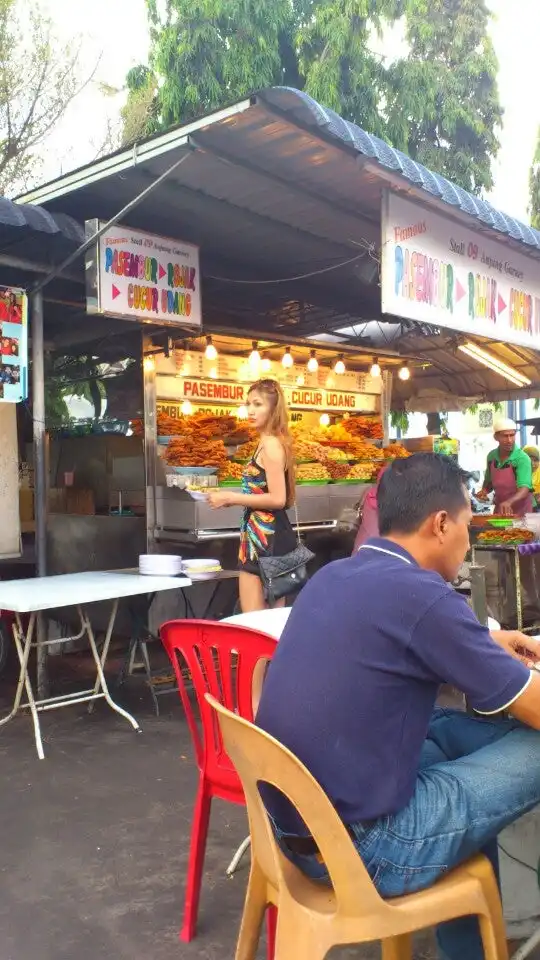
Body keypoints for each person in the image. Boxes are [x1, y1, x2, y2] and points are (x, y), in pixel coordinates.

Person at [256, 453, 540, 960]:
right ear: (440, 524)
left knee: (448, 736)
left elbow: (410, 636)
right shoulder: (423, 596)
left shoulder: (335, 576)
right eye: (468, 527)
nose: (468, 541)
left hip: (298, 828)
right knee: (531, 741)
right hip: (373, 848)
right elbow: (532, 705)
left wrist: (486, 644)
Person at [207, 379, 297, 613]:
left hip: (265, 540)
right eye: (248, 404)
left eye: (258, 404)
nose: (250, 410)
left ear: (273, 409)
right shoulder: (270, 443)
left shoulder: (270, 445)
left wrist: (231, 498)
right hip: (267, 536)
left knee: (255, 623)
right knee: (271, 622)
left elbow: (278, 499)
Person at [478, 417, 532, 516]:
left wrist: (509, 502)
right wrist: (484, 491)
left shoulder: (522, 458)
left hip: (522, 513)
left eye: (512, 435)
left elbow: (524, 489)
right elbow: (489, 482)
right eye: (505, 436)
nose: (509, 440)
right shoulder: (491, 456)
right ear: (496, 437)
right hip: (501, 512)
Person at [523, 445, 540, 510]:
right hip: (524, 505)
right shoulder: (518, 472)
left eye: (536, 460)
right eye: (529, 460)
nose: (532, 464)